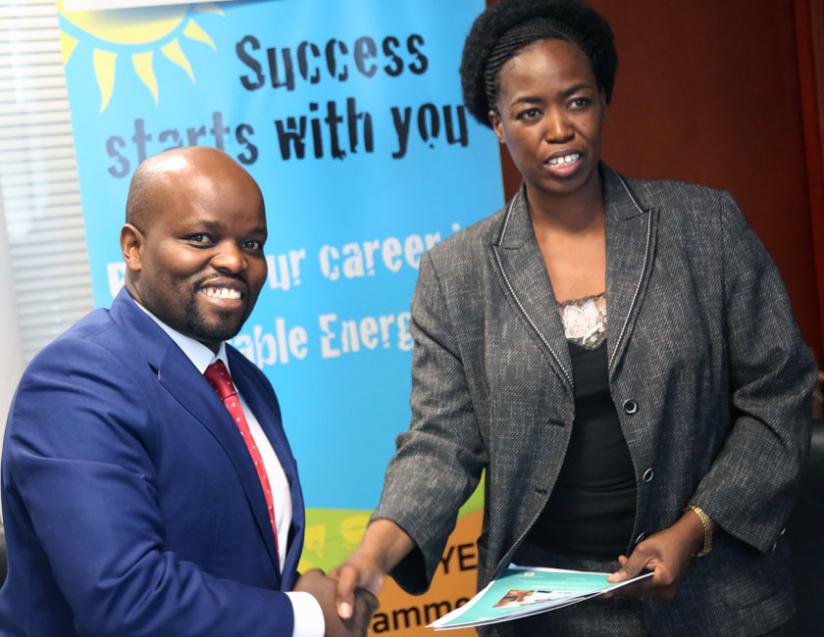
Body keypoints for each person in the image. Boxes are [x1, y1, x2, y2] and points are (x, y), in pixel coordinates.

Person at [334, 1, 817, 635]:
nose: (559, 129)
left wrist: (695, 528)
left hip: (717, 595)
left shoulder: (705, 228)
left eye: (577, 101)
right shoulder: (456, 275)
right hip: (552, 612)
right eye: (529, 112)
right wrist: (374, 554)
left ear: (603, 102)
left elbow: (778, 394)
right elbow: (441, 443)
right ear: (498, 124)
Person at [0, 147, 376, 636]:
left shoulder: (245, 381)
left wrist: (309, 593)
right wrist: (305, 617)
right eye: (201, 238)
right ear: (133, 248)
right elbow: (127, 598)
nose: (234, 261)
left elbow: (239, 559)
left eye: (253, 243)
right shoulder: (75, 382)